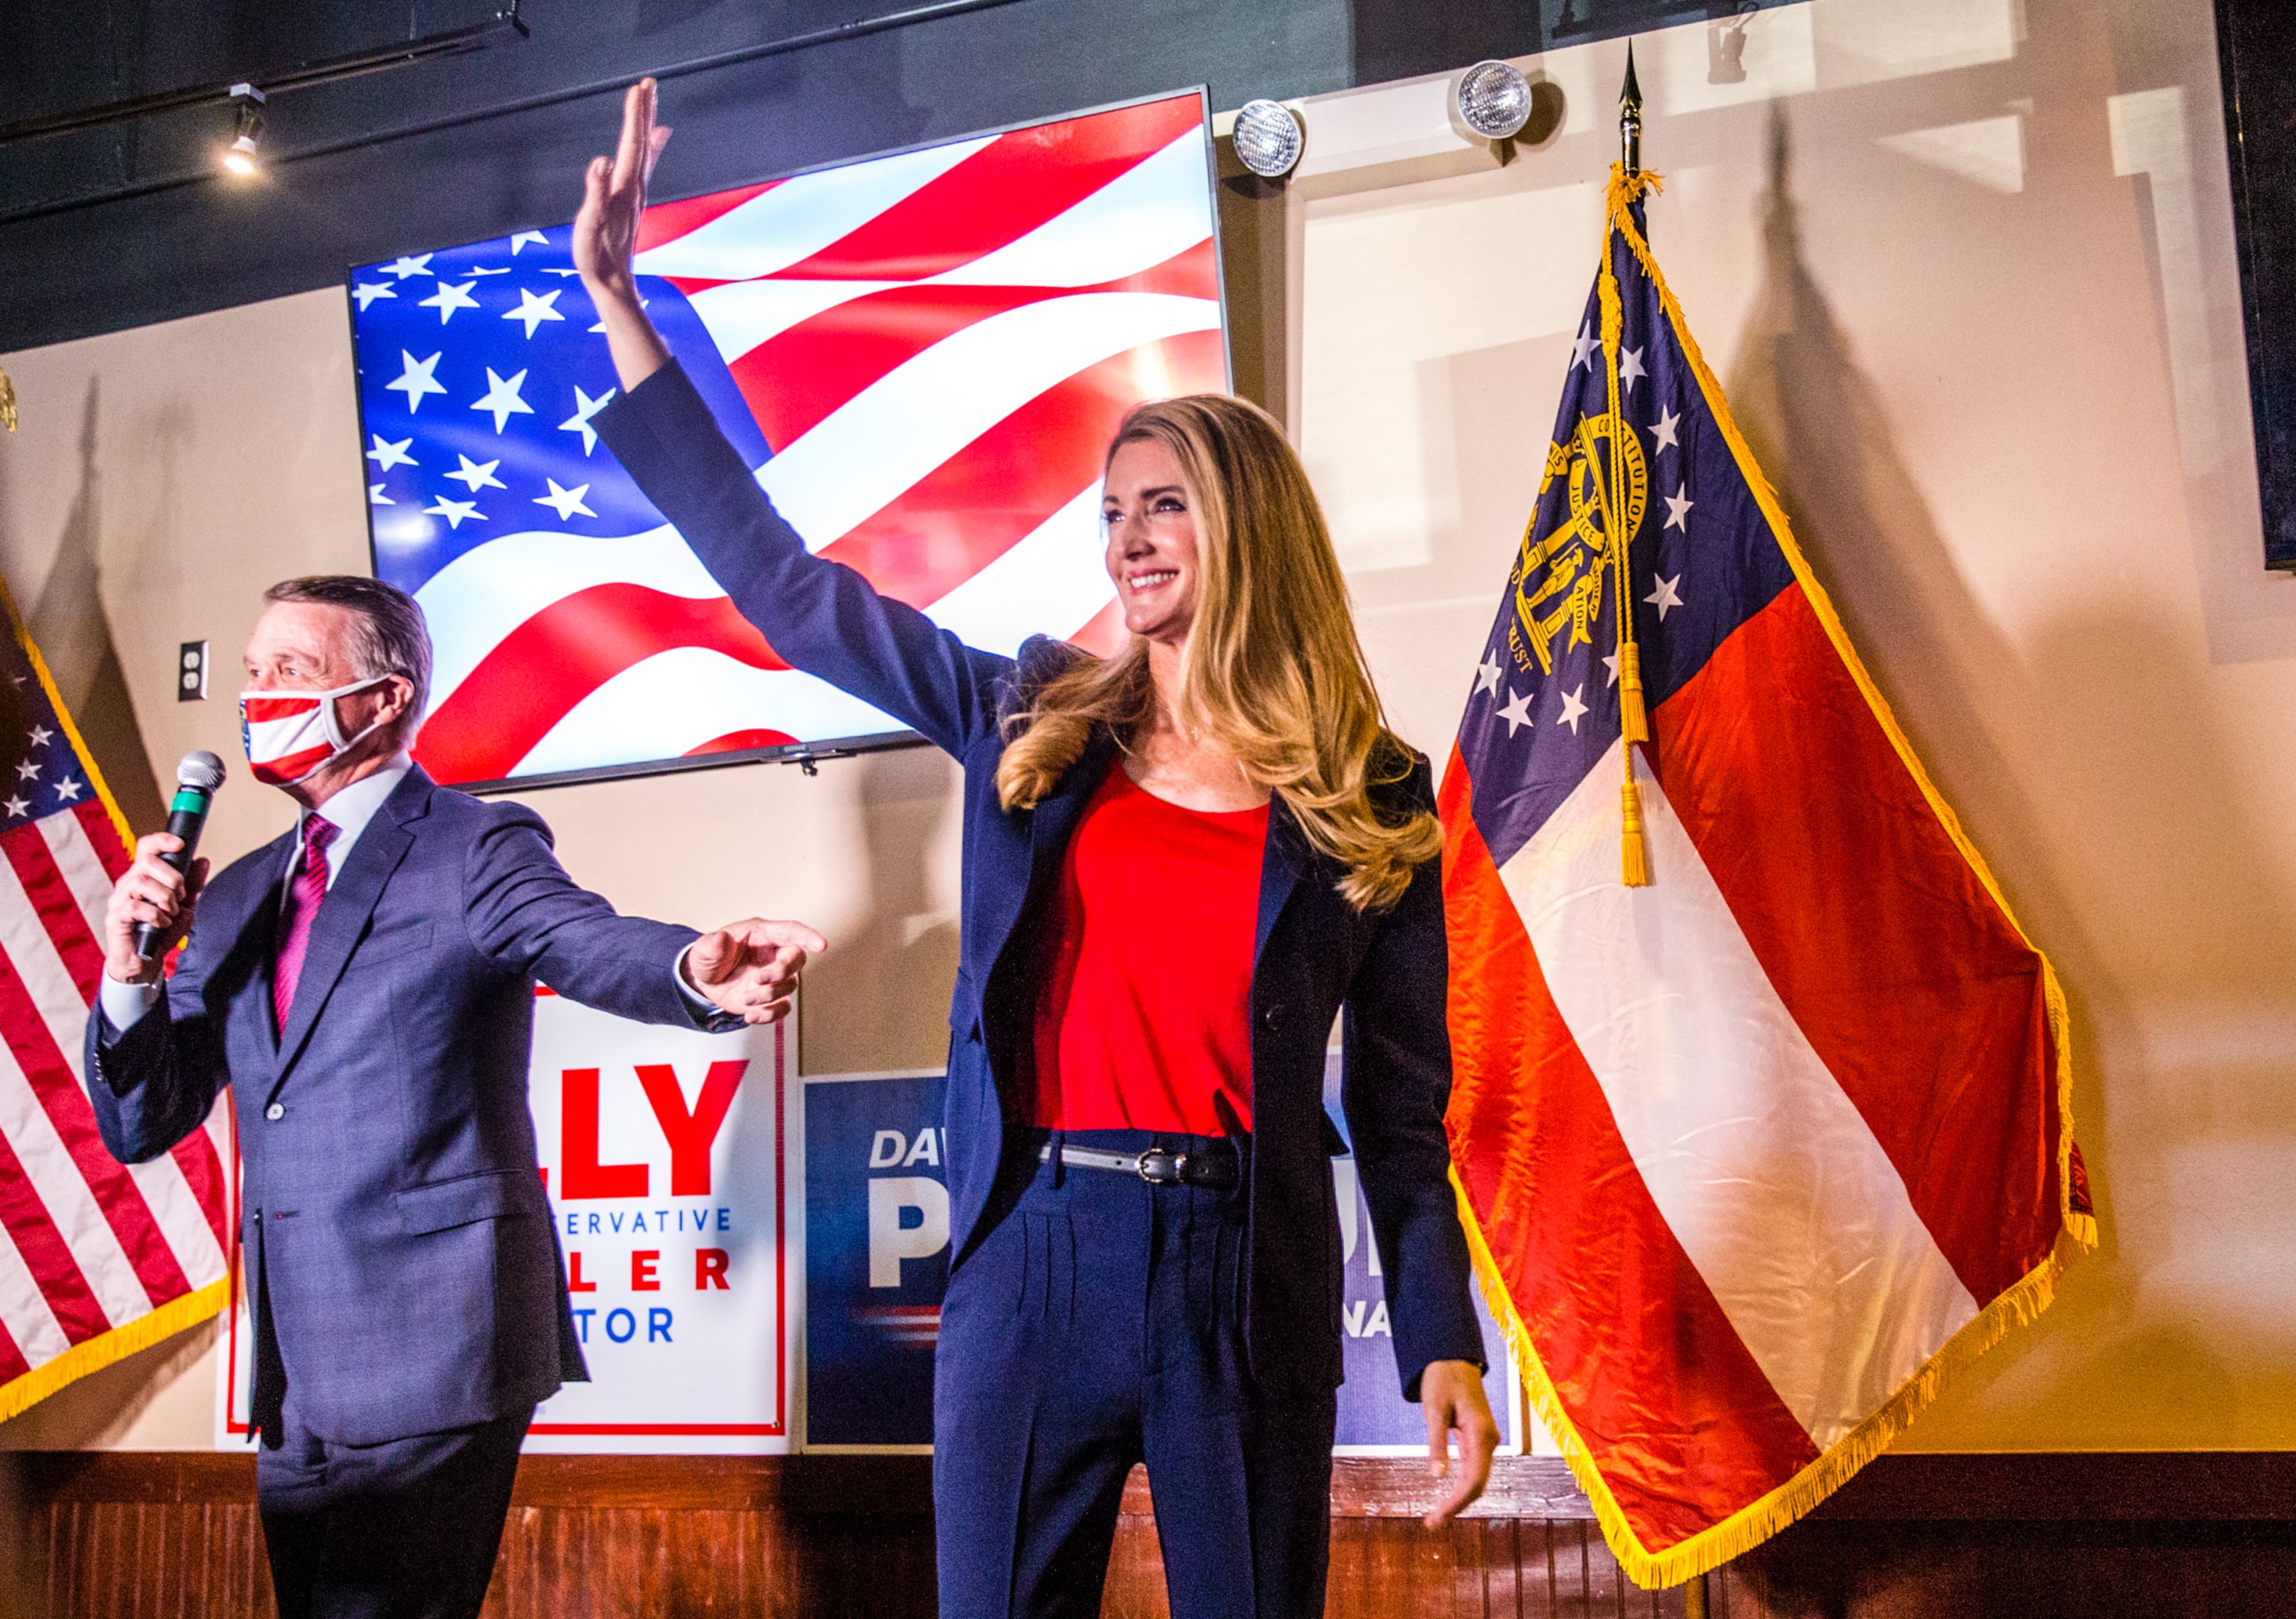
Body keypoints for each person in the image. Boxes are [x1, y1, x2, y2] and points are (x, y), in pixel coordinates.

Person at [571, 79, 1496, 1618]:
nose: (1127, 536)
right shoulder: (1026, 720)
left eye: (1166, 507)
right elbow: (794, 596)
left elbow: (1401, 1118)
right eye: (1113, 510)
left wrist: (1439, 1335)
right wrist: (619, 304)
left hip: (1243, 1275)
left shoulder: (1373, 793)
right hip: (1032, 1253)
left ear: (1248, 526)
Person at [89, 575, 825, 1619]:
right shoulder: (241, 889)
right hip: (293, 1375)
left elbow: (578, 937)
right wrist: (129, 971)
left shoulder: (472, 844)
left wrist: (691, 972)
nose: (256, 697)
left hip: (435, 1345)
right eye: (251, 674)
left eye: (290, 672)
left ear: (385, 699)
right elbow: (140, 1119)